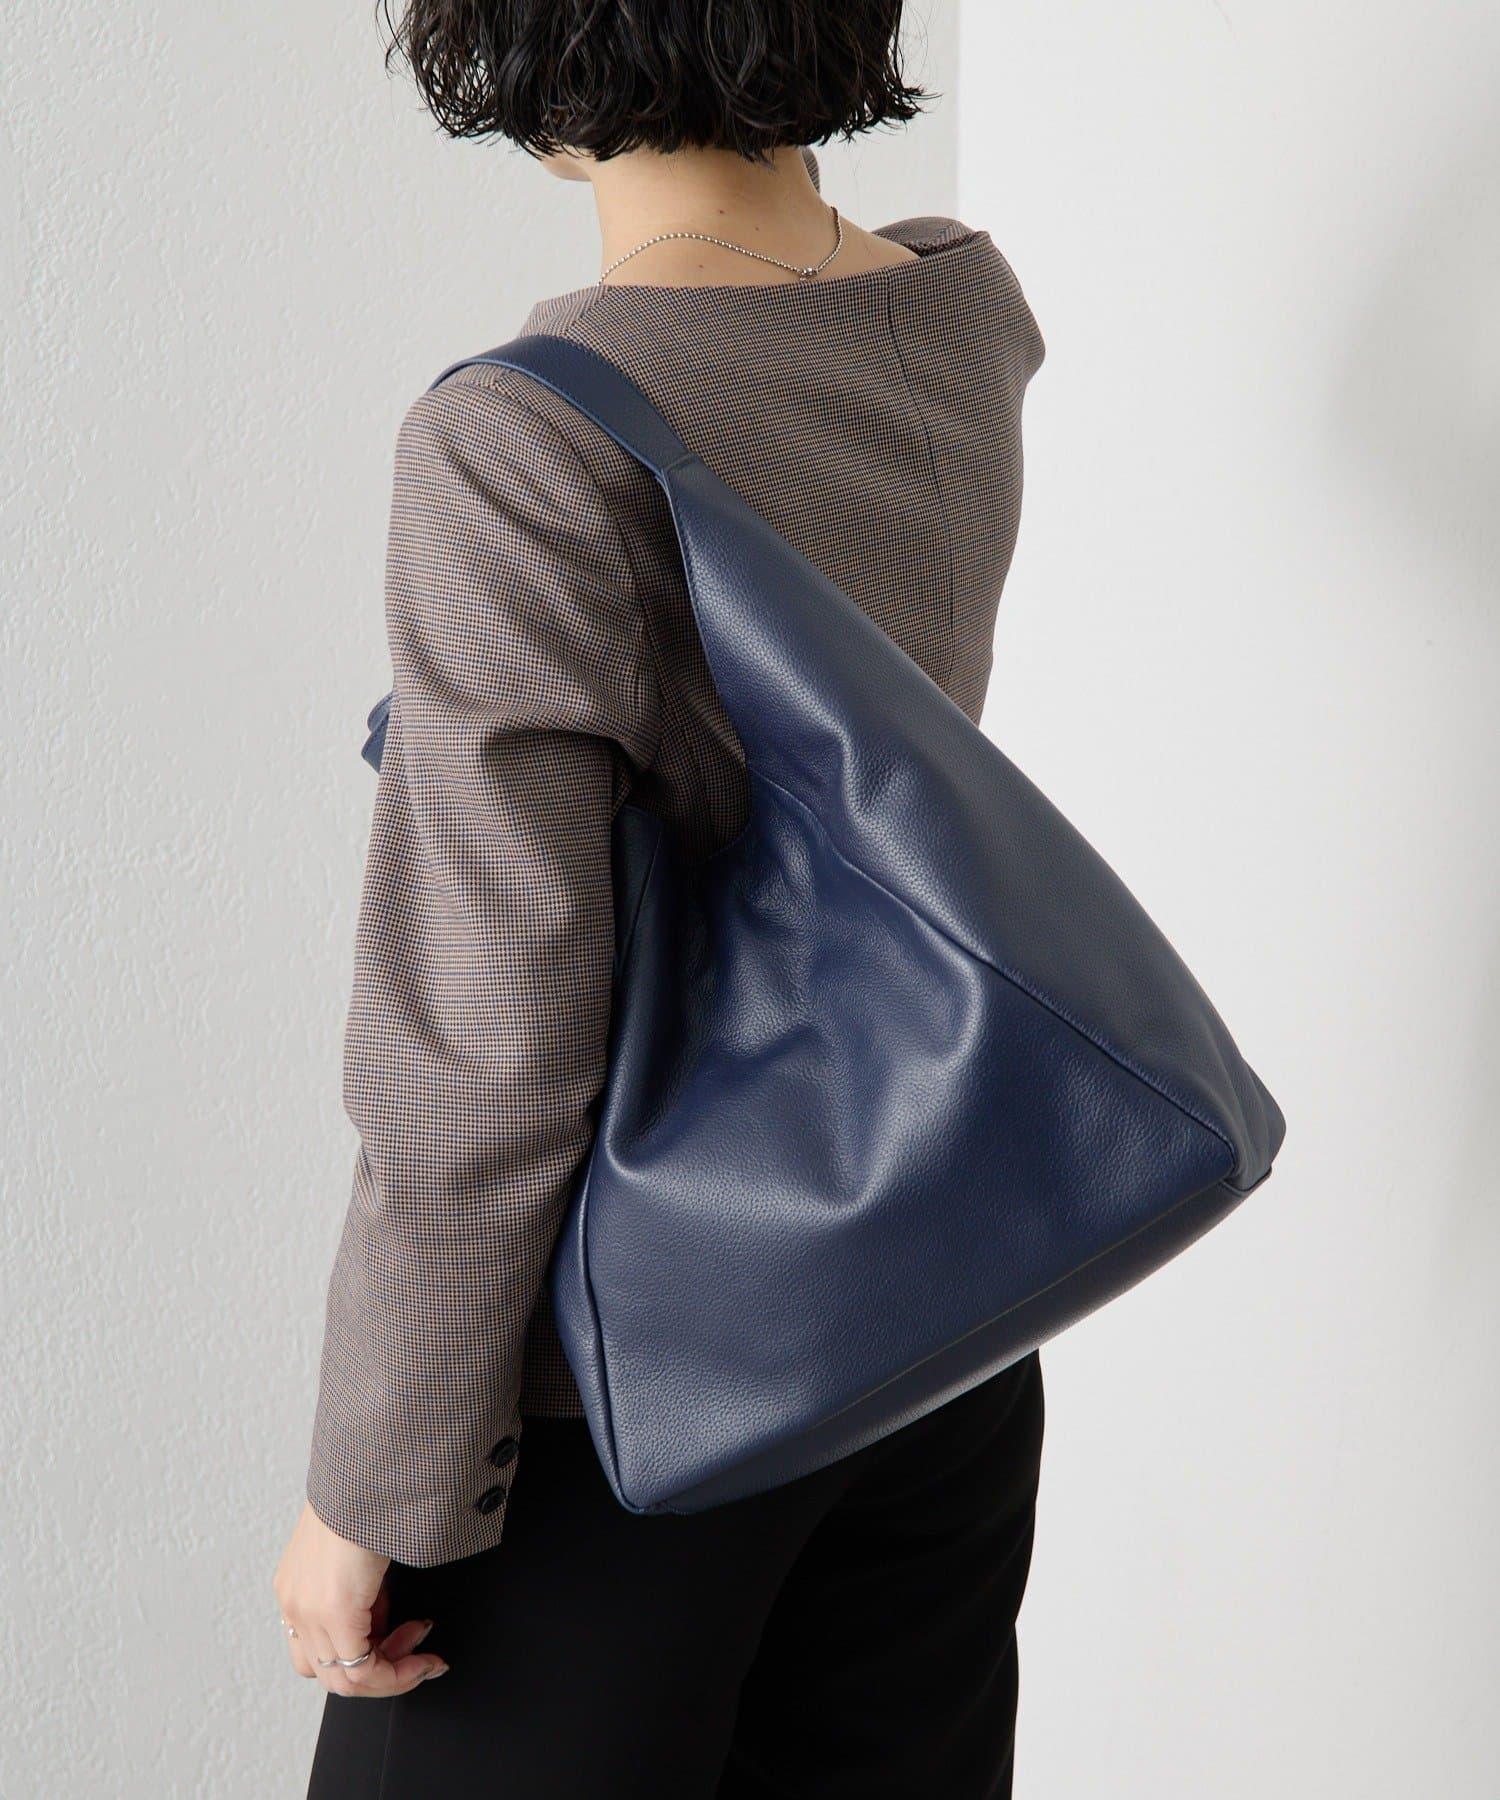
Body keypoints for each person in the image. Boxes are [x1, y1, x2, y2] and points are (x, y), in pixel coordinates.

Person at [276, 3, 1047, 1793]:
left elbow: (488, 1038)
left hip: (634, 1380)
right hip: (938, 1314)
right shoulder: (958, 311)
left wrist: (378, 1481)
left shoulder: (525, 433)